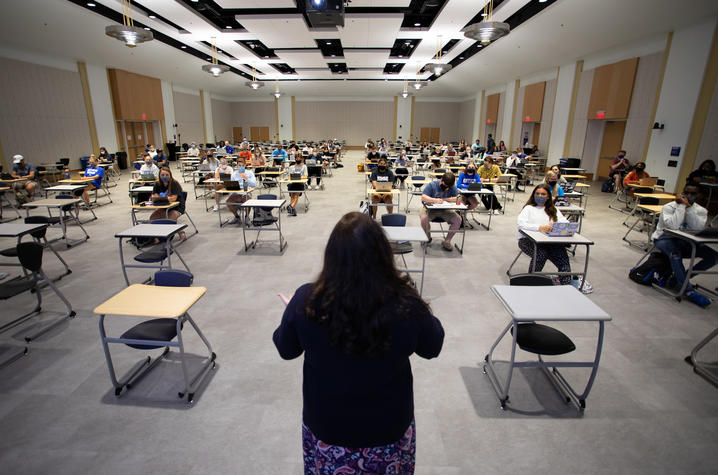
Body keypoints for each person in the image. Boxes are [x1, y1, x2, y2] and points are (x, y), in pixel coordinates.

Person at [273, 212, 443, 474]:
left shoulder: (306, 301)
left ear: (331, 256)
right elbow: (432, 346)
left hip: (328, 426)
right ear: (383, 254)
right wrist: (420, 306)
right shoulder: (404, 302)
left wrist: (294, 313)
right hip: (389, 427)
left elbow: (286, 349)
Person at [652, 184, 716, 307]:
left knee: (714, 257)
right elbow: (673, 226)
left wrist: (689, 209)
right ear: (682, 192)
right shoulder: (669, 207)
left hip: (687, 242)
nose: (689, 196)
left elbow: (697, 228)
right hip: (665, 238)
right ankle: (688, 290)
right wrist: (681, 206)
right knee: (675, 254)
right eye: (687, 192)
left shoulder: (701, 211)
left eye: (693, 194)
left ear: (699, 195)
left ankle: (681, 278)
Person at [517, 184, 573, 285]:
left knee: (562, 256)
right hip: (528, 240)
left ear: (548, 196)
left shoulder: (553, 209)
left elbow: (565, 223)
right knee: (541, 254)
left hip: (549, 241)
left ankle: (566, 283)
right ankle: (531, 281)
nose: (540, 196)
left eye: (543, 194)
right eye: (537, 194)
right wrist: (540, 227)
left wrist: (557, 225)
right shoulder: (528, 208)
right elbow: (521, 224)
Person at [420, 172, 462, 252]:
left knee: (458, 220)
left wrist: (446, 199)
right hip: (430, 209)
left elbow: (459, 198)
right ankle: (427, 237)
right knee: (423, 218)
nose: (446, 187)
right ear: (441, 180)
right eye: (445, 185)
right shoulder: (432, 185)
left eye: (448, 187)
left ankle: (447, 241)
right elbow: (423, 197)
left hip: (445, 210)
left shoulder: (452, 186)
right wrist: (435, 200)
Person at [150, 167, 186, 240]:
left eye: (167, 175)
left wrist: (160, 198)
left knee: (169, 219)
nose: (164, 176)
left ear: (170, 175)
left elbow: (173, 199)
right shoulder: (157, 184)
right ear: (159, 175)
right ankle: (158, 235)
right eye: (162, 175)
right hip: (163, 207)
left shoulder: (174, 183)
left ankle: (168, 237)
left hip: (177, 207)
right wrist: (163, 198)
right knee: (153, 218)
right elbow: (154, 196)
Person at [225, 158, 257, 225]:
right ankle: (237, 217)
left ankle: (247, 217)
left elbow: (254, 185)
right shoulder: (234, 174)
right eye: (239, 165)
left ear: (245, 165)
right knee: (228, 202)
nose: (241, 167)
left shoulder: (250, 173)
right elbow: (231, 184)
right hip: (236, 192)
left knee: (247, 201)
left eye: (242, 165)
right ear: (237, 166)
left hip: (247, 192)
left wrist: (246, 178)